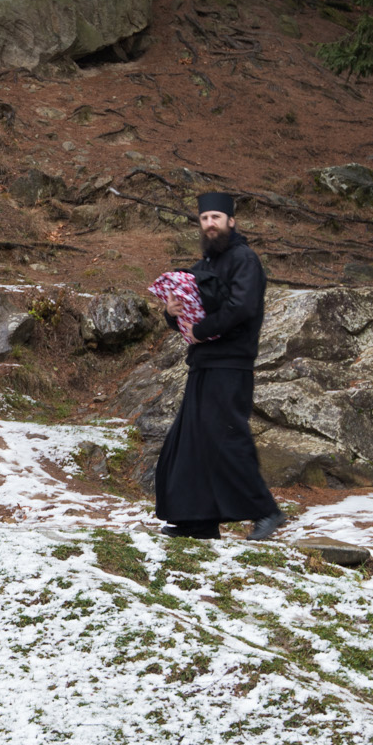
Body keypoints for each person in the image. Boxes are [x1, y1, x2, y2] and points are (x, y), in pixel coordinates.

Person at [152, 193, 284, 542]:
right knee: (191, 442)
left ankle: (267, 511)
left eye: (216, 217)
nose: (210, 223)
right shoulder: (202, 267)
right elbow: (187, 318)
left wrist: (201, 330)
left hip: (232, 364)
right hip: (203, 364)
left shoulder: (245, 260)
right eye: (204, 218)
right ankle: (198, 520)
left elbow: (241, 308)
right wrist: (172, 312)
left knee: (227, 438)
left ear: (231, 221)